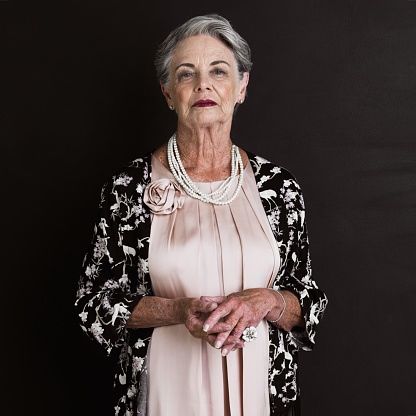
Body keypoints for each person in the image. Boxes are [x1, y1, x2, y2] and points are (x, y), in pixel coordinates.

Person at [75, 14, 328, 416]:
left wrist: (267, 301)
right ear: (168, 92)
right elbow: (93, 305)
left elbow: (309, 302)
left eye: (219, 71)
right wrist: (177, 311)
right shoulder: (127, 188)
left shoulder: (279, 187)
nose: (203, 84)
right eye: (186, 73)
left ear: (241, 86)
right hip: (165, 393)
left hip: (261, 397)